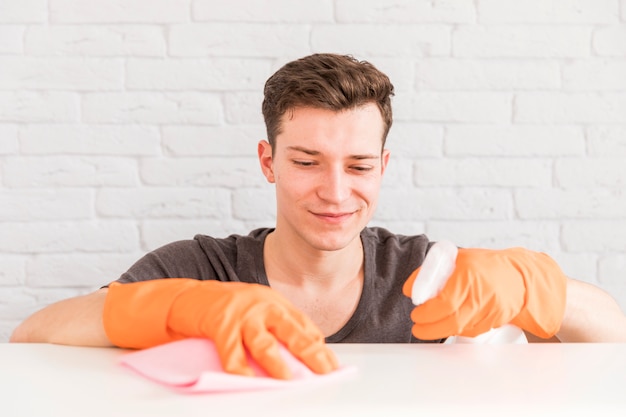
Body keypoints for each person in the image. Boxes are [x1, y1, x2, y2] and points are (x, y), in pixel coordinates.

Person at [10, 53, 626, 379]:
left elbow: (611, 337)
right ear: (268, 161)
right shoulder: (200, 269)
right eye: (307, 161)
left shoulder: (431, 278)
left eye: (358, 166)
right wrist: (177, 308)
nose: (335, 191)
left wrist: (535, 285)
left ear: (383, 166)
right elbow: (32, 338)